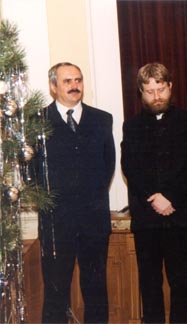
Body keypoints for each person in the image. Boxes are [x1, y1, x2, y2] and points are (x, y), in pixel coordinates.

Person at [38, 62, 115, 323]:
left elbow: (108, 166)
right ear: (53, 87)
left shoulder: (102, 119)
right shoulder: (38, 122)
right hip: (56, 224)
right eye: (67, 81)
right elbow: (35, 173)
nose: (74, 86)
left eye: (78, 80)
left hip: (93, 221)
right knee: (55, 291)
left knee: (95, 289)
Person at [121, 63, 187, 323]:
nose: (156, 97)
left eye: (161, 89)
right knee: (150, 284)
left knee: (182, 284)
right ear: (141, 93)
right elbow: (130, 165)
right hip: (146, 220)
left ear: (170, 87)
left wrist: (170, 197)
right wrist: (154, 196)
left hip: (180, 217)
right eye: (149, 91)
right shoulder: (131, 127)